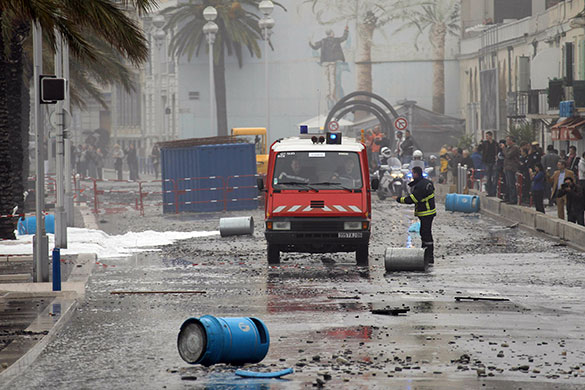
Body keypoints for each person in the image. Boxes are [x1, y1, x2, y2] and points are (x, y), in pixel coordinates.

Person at [395, 166, 436, 264]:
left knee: (426, 234)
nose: (412, 176)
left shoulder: (421, 185)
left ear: (416, 174)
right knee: (425, 233)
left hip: (426, 212)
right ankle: (426, 254)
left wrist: (399, 199)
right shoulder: (426, 182)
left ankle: (429, 257)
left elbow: (412, 199)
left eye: (413, 173)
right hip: (429, 212)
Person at [309, 26, 349, 106]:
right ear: (331, 33)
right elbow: (344, 38)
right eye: (333, 32)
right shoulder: (336, 40)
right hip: (332, 62)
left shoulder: (323, 41)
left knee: (326, 80)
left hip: (324, 62)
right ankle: (332, 95)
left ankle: (327, 95)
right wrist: (346, 30)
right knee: (332, 79)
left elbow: (315, 47)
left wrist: (310, 41)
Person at [478, 131, 498, 196]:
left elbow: (498, 150)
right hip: (487, 161)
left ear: (490, 136)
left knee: (494, 177)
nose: (486, 137)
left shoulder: (495, 143)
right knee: (488, 177)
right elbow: (479, 149)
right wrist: (480, 144)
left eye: (487, 136)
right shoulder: (484, 143)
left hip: (494, 161)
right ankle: (489, 192)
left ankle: (494, 192)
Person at [503, 136, 520, 204]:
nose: (506, 142)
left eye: (507, 140)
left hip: (511, 167)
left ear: (511, 141)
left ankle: (513, 199)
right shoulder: (509, 148)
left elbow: (508, 155)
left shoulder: (514, 147)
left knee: (511, 183)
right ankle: (508, 198)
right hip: (507, 167)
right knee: (508, 184)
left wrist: (504, 149)